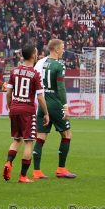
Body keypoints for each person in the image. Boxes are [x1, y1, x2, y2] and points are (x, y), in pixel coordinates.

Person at [3, 45, 50, 183]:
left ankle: (8, 162)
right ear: (33, 56)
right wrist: (46, 113)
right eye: (36, 53)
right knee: (29, 142)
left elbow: (8, 92)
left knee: (16, 140)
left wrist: (10, 106)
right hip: (27, 111)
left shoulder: (15, 71)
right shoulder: (35, 74)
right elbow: (40, 97)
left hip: (15, 108)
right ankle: (23, 176)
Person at [33, 39, 77, 179]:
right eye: (62, 47)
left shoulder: (43, 63)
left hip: (43, 103)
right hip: (55, 103)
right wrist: (65, 107)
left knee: (40, 137)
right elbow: (61, 87)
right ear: (56, 49)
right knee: (67, 135)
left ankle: (37, 171)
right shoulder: (59, 65)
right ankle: (61, 169)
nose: (64, 50)